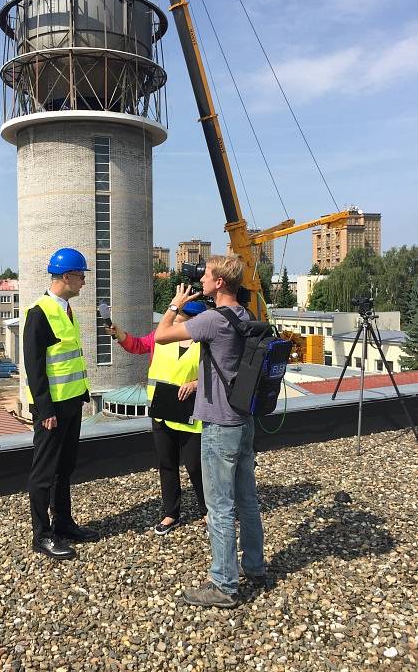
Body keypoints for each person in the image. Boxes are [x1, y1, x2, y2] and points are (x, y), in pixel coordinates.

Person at [154, 255, 265, 608]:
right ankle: (254, 566)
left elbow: (161, 336)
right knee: (247, 499)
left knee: (219, 506)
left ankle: (223, 585)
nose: (200, 279)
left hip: (218, 424)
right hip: (243, 420)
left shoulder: (212, 321)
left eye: (205, 275)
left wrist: (176, 304)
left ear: (219, 283)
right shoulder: (246, 316)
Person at [105, 301, 208, 534]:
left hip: (190, 413)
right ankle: (171, 513)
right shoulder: (161, 335)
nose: (183, 319)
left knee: (196, 466)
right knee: (167, 464)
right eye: (182, 314)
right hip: (161, 411)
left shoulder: (206, 342)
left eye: (188, 316)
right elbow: (138, 345)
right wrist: (118, 333)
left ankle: (208, 511)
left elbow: (218, 374)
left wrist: (195, 384)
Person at [24, 247, 99, 561]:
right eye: (81, 276)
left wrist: (80, 397)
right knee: (44, 473)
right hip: (51, 410)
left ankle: (64, 524)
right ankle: (42, 536)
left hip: (70, 403)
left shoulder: (68, 310)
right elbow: (35, 366)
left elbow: (69, 362)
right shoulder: (39, 313)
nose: (84, 282)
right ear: (67, 276)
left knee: (64, 469)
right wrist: (46, 410)